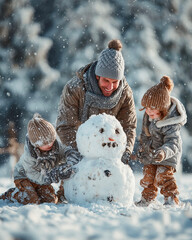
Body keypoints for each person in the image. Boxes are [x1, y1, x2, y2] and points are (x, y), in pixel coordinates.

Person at [56, 39, 137, 164]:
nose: (110, 87)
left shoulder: (125, 93)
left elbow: (128, 126)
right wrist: (74, 152)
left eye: (115, 82)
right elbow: (66, 125)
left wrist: (124, 151)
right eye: (106, 81)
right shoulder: (75, 88)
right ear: (97, 76)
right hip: (79, 145)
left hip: (108, 148)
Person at [0, 113, 80, 204]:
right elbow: (33, 175)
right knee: (32, 200)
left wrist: (71, 160)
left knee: (51, 200)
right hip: (24, 177)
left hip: (43, 179)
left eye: (51, 140)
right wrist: (54, 175)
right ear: (36, 144)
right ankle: (11, 194)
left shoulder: (56, 146)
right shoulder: (29, 156)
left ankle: (35, 192)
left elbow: (67, 151)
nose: (50, 144)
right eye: (45, 143)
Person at [135, 76, 187, 206]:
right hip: (152, 153)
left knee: (162, 176)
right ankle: (147, 199)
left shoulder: (171, 123)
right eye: (146, 107)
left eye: (152, 108)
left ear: (163, 109)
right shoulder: (149, 116)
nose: (148, 111)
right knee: (148, 176)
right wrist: (143, 148)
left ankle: (171, 198)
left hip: (168, 155)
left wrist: (163, 152)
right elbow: (145, 135)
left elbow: (173, 143)